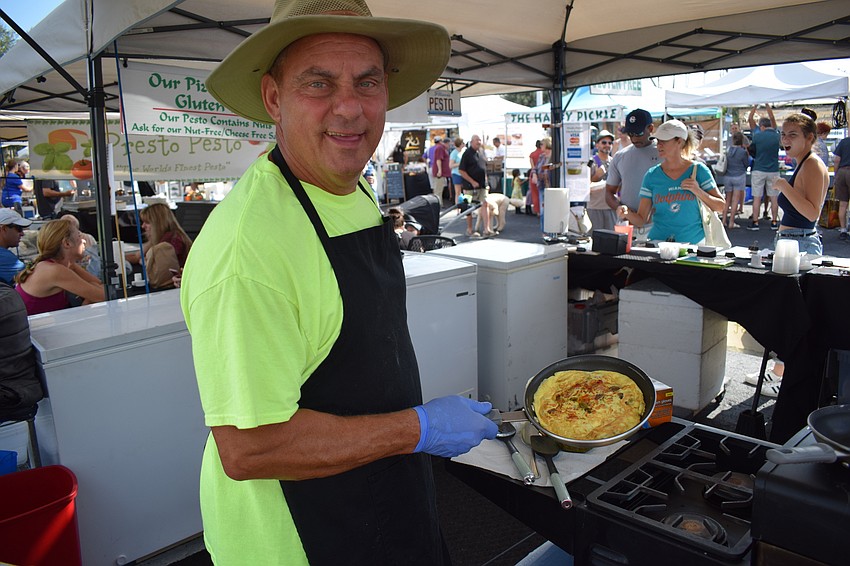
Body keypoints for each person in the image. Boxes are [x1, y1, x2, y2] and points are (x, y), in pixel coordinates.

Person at [179, 2, 497, 564]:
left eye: (367, 81)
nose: (349, 108)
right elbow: (250, 449)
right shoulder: (248, 249)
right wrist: (418, 428)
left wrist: (411, 436)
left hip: (384, 494)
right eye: (319, 83)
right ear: (273, 98)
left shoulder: (351, 188)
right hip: (301, 538)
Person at [617, 119, 725, 244]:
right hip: (659, 244)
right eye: (658, 141)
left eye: (664, 141)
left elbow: (721, 207)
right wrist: (626, 212)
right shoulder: (652, 175)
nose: (659, 145)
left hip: (693, 246)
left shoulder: (699, 170)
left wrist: (698, 191)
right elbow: (641, 219)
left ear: (679, 141)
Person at [15, 219, 105, 315]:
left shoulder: (58, 265)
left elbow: (101, 286)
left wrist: (90, 295)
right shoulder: (55, 270)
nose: (83, 241)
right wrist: (89, 298)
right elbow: (104, 296)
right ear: (67, 243)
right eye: (79, 236)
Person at [771, 109, 830, 256]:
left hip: (800, 243)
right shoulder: (806, 163)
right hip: (796, 241)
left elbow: (812, 213)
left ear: (809, 137)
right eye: (783, 134)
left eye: (792, 135)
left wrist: (784, 186)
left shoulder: (812, 164)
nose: (785, 139)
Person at [606, 109, 660, 239]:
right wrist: (621, 209)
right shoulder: (620, 156)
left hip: (659, 226)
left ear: (651, 128)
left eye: (639, 133)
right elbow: (609, 193)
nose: (634, 138)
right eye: (630, 134)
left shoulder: (664, 153)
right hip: (628, 227)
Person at [127, 203, 192, 289]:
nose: (143, 226)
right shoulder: (163, 237)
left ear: (157, 223)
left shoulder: (171, 243)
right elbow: (137, 256)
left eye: (147, 222)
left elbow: (161, 275)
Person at [747, 104, 781, 231]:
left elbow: (752, 149)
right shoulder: (777, 135)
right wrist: (768, 106)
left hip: (758, 169)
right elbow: (772, 117)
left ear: (761, 126)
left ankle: (755, 222)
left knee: (756, 197)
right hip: (774, 170)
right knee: (774, 197)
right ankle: (774, 221)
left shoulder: (757, 136)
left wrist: (755, 106)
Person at [460, 134, 494, 237]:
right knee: (468, 207)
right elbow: (461, 170)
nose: (478, 142)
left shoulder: (481, 152)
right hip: (469, 186)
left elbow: (483, 168)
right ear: (471, 142)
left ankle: (486, 229)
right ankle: (470, 229)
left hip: (482, 185)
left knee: (485, 204)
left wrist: (486, 182)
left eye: (479, 140)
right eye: (476, 140)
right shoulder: (467, 154)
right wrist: (472, 181)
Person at [588, 129, 616, 231]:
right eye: (604, 142)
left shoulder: (614, 162)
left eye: (610, 143)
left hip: (611, 207)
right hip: (595, 207)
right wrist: (596, 176)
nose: (607, 145)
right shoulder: (591, 162)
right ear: (597, 145)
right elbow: (584, 187)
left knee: (612, 239)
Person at [723, 132, 750, 229]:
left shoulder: (728, 150)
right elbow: (747, 164)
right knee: (735, 201)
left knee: (727, 200)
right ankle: (731, 222)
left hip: (727, 177)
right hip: (739, 176)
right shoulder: (743, 152)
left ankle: (723, 220)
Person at [0, 209, 31, 285]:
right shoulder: (5, 258)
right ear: (4, 229)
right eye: (19, 228)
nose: (22, 233)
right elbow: (30, 278)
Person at [833, 133, 850, 240]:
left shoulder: (844, 141)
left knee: (843, 204)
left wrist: (836, 174)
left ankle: (843, 230)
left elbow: (836, 160)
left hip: (842, 172)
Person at [432, 136, 452, 204]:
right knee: (438, 189)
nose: (449, 146)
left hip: (443, 173)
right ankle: (438, 205)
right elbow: (438, 159)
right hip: (440, 173)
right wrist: (439, 170)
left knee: (439, 188)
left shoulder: (440, 148)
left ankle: (439, 203)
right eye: (449, 144)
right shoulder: (440, 148)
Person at [527, 140, 544, 215]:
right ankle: (542, 210)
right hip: (542, 174)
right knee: (541, 192)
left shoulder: (532, 154)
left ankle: (537, 210)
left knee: (534, 193)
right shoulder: (543, 154)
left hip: (533, 174)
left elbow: (532, 166)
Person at [449, 136, 466, 203]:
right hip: (456, 174)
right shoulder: (454, 153)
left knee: (465, 191)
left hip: (463, 173)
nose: (464, 144)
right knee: (458, 192)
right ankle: (458, 207)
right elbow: (450, 165)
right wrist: (459, 163)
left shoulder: (463, 151)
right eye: (462, 143)